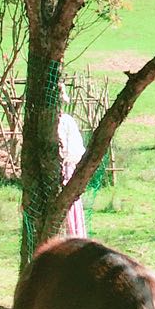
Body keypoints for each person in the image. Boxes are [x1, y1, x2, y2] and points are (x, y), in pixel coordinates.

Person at [57, 90, 88, 239]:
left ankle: (72, 237)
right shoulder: (44, 123)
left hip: (66, 168)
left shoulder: (66, 121)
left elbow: (75, 150)